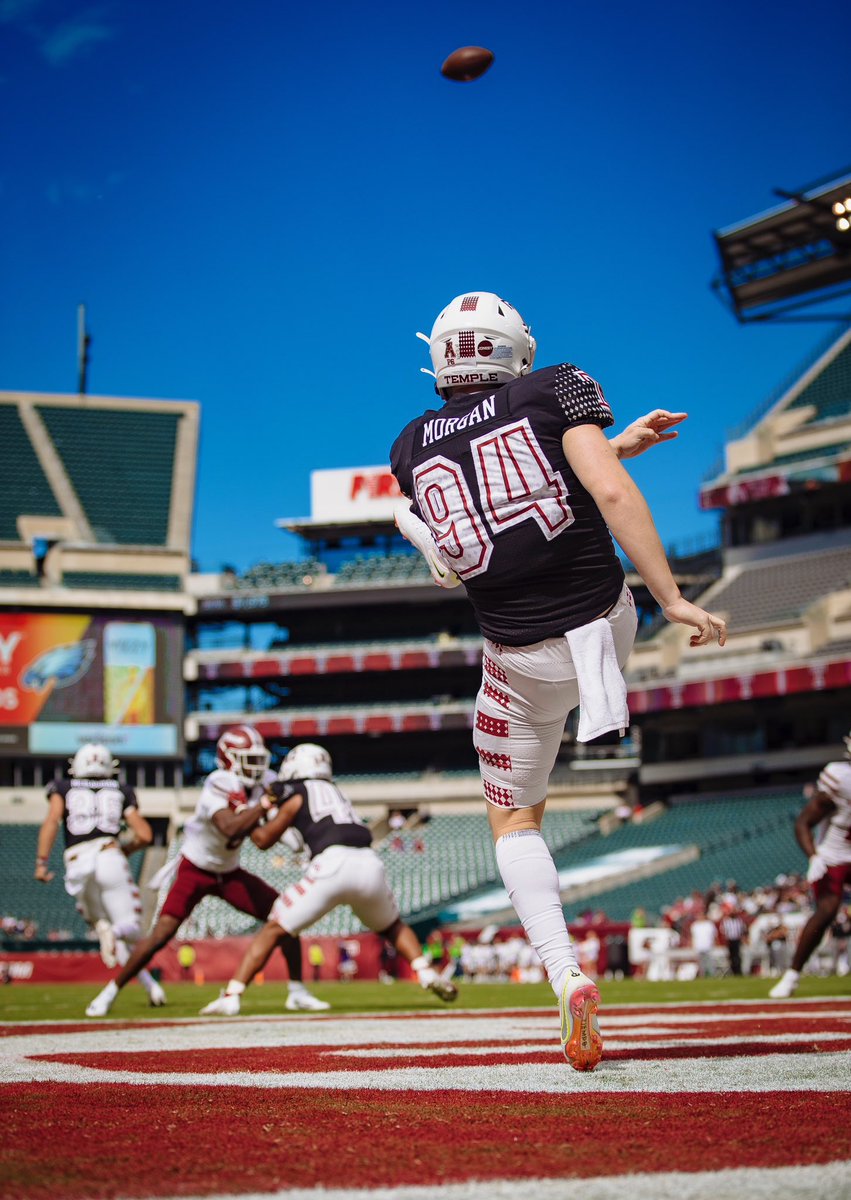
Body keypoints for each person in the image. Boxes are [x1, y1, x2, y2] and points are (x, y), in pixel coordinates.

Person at [390, 291, 727, 1070]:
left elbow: (471, 526)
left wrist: (616, 451)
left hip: (516, 658)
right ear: (516, 349)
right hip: (599, 626)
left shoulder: (409, 445)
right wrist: (670, 596)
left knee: (512, 823)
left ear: (439, 357)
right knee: (596, 588)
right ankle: (568, 974)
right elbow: (598, 491)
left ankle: (564, 971)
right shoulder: (554, 386)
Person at [84, 726, 327, 1017]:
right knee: (160, 935)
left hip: (230, 871)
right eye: (248, 760)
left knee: (288, 916)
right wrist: (265, 804)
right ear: (228, 760)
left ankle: (297, 991)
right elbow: (230, 827)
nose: (258, 767)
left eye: (258, 759)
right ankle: (110, 992)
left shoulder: (265, 782)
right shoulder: (218, 782)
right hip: (196, 869)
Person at [200, 742, 458, 1015]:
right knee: (392, 926)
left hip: (333, 864)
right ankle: (425, 971)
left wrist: (253, 814)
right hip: (369, 863)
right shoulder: (336, 792)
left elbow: (263, 840)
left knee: (275, 928)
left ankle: (232, 994)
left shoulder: (296, 792)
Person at [36, 742, 166, 1008]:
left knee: (104, 928)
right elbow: (145, 834)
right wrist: (125, 850)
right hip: (109, 857)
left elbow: (52, 821)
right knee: (131, 932)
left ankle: (150, 986)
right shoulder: (121, 789)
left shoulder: (62, 786)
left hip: (77, 864)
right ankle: (115, 931)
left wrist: (41, 862)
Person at [770, 738, 851, 998]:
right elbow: (803, 822)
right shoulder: (841, 780)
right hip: (834, 855)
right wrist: (814, 856)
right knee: (827, 909)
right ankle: (792, 975)